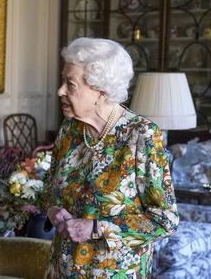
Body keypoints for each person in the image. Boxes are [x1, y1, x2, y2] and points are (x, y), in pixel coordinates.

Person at [43, 37, 179, 278]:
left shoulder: (142, 136)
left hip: (115, 271)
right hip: (63, 268)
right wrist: (54, 210)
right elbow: (51, 189)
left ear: (101, 92)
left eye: (70, 84)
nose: (60, 91)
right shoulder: (69, 130)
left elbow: (165, 220)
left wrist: (97, 228)